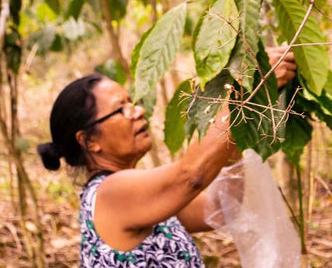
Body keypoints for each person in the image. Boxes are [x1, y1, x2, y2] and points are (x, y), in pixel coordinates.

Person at [37, 47, 297, 267]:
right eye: (121, 109)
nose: (138, 111)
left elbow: (216, 209)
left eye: (132, 102)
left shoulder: (138, 198)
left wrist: (233, 144)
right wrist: (246, 90)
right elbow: (191, 175)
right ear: (89, 141)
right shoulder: (110, 193)